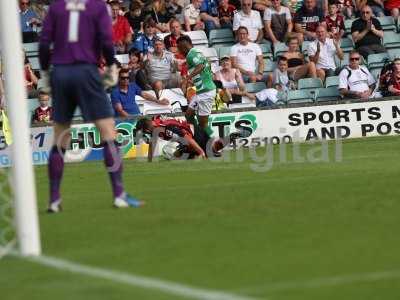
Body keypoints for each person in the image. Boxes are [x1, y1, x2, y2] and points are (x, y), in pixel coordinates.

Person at [39, 0, 144, 212]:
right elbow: (106, 41)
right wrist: (112, 63)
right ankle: (118, 194)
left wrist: (45, 72)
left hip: (60, 72)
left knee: (60, 137)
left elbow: (43, 44)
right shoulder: (97, 7)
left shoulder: (57, 7)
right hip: (86, 71)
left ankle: (54, 200)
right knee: (108, 132)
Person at [177, 35, 216, 151]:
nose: (179, 51)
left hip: (206, 93)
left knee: (203, 124)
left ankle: (215, 146)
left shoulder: (191, 55)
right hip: (201, 92)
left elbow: (201, 66)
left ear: (183, 46)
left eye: (179, 48)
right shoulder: (198, 52)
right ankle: (196, 138)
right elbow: (206, 65)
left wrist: (188, 77)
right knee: (188, 115)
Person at [136, 116, 207, 161]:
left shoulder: (166, 128)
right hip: (190, 138)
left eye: (144, 132)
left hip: (196, 136)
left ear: (147, 130)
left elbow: (187, 138)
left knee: (181, 156)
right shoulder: (154, 126)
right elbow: (152, 144)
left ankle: (200, 152)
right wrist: (149, 161)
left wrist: (201, 153)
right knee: (178, 155)